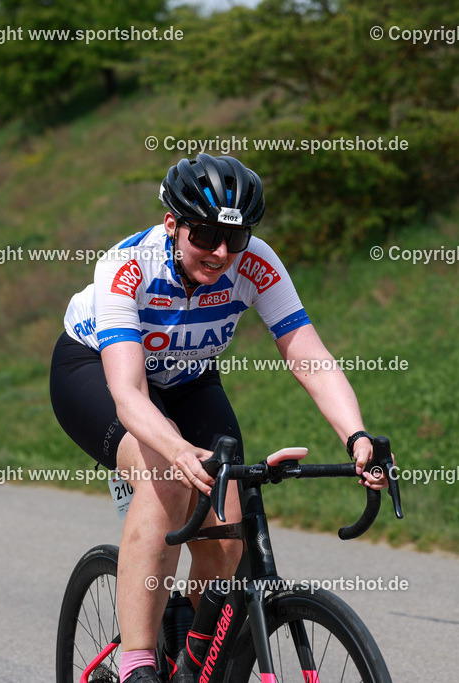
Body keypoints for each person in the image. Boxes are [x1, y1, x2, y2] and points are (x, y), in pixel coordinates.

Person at [50, 153, 388, 683]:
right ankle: (137, 663)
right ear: (173, 225)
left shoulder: (257, 263)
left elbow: (308, 355)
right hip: (94, 370)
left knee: (228, 534)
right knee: (165, 476)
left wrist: (357, 436)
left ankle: (188, 654)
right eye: (206, 235)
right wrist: (179, 450)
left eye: (237, 237)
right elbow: (129, 392)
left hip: (187, 376)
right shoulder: (128, 267)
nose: (222, 252)